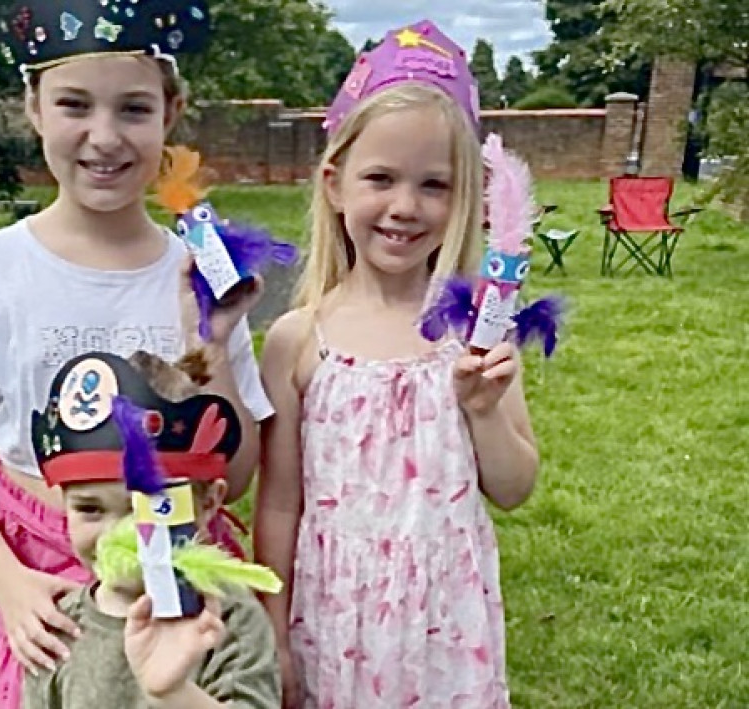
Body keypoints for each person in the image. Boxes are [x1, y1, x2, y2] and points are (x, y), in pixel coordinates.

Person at [0, 1, 271, 707]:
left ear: (171, 111)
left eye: (133, 108)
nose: (104, 137)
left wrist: (211, 339)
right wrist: (7, 584)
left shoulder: (196, 277)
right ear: (33, 107)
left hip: (176, 591)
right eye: (74, 104)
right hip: (43, 597)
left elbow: (237, 474)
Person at [254, 20, 539, 708]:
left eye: (434, 185)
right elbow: (281, 501)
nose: (405, 207)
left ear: (463, 195)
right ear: (335, 183)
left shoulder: (475, 334)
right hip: (332, 620)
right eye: (380, 178)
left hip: (446, 625)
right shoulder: (299, 340)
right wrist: (274, 633)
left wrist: (483, 409)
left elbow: (514, 485)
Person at [21, 348, 280, 708]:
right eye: (89, 509)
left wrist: (173, 693)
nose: (114, 534)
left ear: (206, 504)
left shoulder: (225, 619)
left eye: (143, 508)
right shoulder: (58, 627)